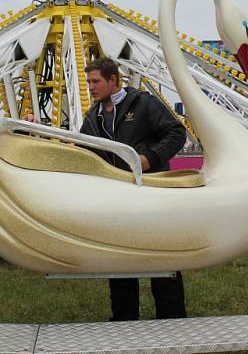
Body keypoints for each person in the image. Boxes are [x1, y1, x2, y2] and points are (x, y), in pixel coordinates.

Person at [79, 57, 188, 321]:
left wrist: (149, 158)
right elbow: (81, 150)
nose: (90, 87)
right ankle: (124, 321)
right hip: (118, 200)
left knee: (162, 258)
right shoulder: (92, 118)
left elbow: (176, 133)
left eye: (95, 81)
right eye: (88, 82)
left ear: (113, 81)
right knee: (120, 261)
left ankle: (172, 321)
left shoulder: (144, 104)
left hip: (153, 195)